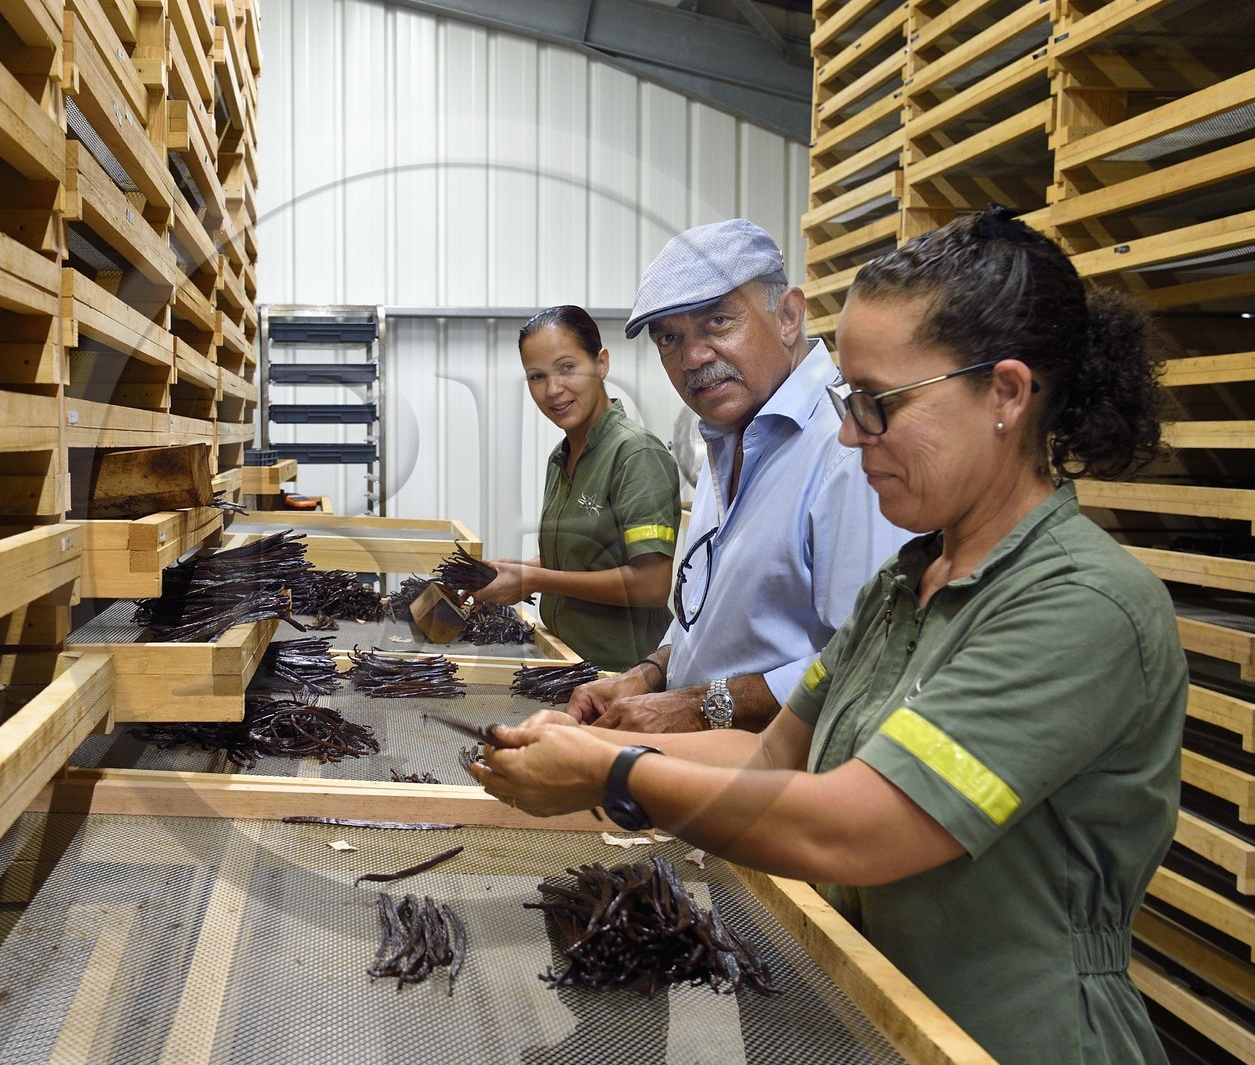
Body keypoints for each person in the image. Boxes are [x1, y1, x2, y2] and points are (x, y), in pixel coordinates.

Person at [470, 206, 1186, 1065]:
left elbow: (860, 827)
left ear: (1005, 393)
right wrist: (581, 738)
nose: (849, 433)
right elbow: (773, 759)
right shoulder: (905, 584)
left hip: (1005, 1038)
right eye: (848, 401)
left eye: (877, 404)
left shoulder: (1082, 606)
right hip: (859, 1011)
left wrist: (610, 771)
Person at [565, 219, 908, 732]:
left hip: (784, 792)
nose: (693, 358)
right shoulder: (723, 440)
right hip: (705, 778)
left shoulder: (850, 452)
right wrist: (647, 675)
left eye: (719, 323)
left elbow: (870, 661)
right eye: (669, 340)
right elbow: (707, 621)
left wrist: (699, 706)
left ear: (790, 315)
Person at [471, 306, 680, 672]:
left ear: (601, 363)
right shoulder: (563, 456)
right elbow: (585, 562)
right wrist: (520, 569)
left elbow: (652, 584)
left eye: (567, 368)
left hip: (622, 676)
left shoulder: (636, 454)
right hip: (568, 663)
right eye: (537, 376)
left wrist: (533, 579)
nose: (553, 390)